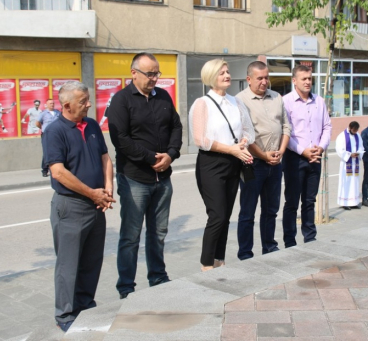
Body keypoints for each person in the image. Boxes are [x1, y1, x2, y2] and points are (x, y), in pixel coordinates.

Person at [107, 52, 183, 299]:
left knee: (158, 232)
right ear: (134, 73)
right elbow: (121, 141)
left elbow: (176, 126)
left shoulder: (163, 96)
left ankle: (158, 276)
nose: (154, 78)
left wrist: (171, 154)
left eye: (156, 73)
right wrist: (152, 159)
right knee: (130, 236)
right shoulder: (121, 101)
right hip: (135, 179)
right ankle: (126, 286)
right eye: (149, 74)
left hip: (163, 178)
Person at [42, 81, 115, 333]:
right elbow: (59, 173)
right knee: (68, 263)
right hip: (71, 206)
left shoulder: (93, 125)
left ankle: (85, 304)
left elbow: (106, 157)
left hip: (96, 204)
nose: (88, 104)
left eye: (88, 99)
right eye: (83, 101)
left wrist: (107, 187)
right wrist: (92, 194)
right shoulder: (54, 131)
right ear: (67, 105)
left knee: (92, 260)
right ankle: (64, 313)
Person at [189, 59, 255, 271]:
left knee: (225, 215)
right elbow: (201, 140)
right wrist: (232, 149)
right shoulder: (202, 103)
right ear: (211, 77)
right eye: (221, 73)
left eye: (227, 72)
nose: (227, 76)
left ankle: (219, 260)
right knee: (216, 214)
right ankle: (206, 264)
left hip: (234, 163)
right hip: (211, 164)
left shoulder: (236, 102)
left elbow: (247, 130)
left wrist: (243, 143)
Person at [235, 61, 291, 260]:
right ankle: (245, 254)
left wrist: (280, 152)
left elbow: (286, 127)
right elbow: (244, 135)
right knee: (248, 212)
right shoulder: (239, 101)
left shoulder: (277, 97)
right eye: (260, 78)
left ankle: (269, 247)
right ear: (249, 79)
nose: (264, 82)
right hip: (253, 164)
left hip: (275, 163)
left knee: (271, 210)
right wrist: (263, 155)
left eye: (266, 77)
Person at [282, 65, 331, 247]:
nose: (308, 82)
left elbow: (327, 126)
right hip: (295, 158)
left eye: (310, 78)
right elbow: (285, 132)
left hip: (315, 157)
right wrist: (302, 150)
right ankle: (289, 241)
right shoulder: (286, 102)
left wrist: (322, 147)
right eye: (304, 79)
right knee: (292, 202)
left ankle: (310, 238)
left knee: (310, 201)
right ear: (294, 81)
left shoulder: (319, 101)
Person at [336, 121, 365, 210]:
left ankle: (354, 202)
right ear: (350, 127)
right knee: (346, 182)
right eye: (354, 130)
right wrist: (349, 154)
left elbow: (361, 146)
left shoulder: (358, 136)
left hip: (355, 163)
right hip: (346, 164)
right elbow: (339, 149)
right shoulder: (342, 136)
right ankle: (345, 202)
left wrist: (358, 153)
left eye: (356, 130)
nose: (355, 132)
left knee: (355, 182)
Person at [36, 99, 61, 177]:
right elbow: (37, 123)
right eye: (50, 103)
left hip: (56, 135)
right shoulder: (43, 113)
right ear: (46, 104)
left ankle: (56, 169)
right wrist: (44, 129)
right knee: (47, 151)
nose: (52, 104)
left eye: (53, 103)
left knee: (57, 151)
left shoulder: (58, 113)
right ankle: (44, 170)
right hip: (46, 135)